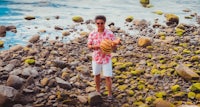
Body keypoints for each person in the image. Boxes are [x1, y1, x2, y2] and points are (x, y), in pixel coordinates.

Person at [87, 15, 120, 100]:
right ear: (95, 23)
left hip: (107, 58)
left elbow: (115, 42)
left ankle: (109, 94)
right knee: (96, 75)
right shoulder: (92, 33)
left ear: (104, 23)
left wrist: (115, 43)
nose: (100, 25)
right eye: (98, 23)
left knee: (108, 76)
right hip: (96, 57)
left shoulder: (109, 33)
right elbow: (89, 45)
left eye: (102, 23)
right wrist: (96, 46)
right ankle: (98, 91)